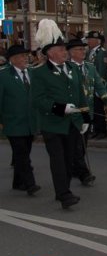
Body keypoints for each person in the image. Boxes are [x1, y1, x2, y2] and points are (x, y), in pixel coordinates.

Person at [30, 20, 90, 209]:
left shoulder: (73, 69)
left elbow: (81, 96)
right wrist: (59, 108)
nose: (65, 52)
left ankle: (62, 190)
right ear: (50, 53)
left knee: (69, 159)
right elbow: (38, 99)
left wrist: (85, 118)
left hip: (72, 123)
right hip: (53, 124)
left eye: (65, 49)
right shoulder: (39, 73)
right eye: (61, 49)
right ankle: (64, 194)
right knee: (58, 160)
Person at [0, 45, 40, 195]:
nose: (25, 58)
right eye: (22, 56)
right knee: (22, 154)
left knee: (23, 153)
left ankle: (18, 182)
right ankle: (30, 184)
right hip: (13, 123)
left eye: (25, 56)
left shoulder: (32, 73)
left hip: (30, 123)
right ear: (13, 59)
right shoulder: (3, 76)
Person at [67, 38, 107, 187]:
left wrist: (106, 100)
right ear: (71, 52)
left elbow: (99, 84)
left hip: (88, 111)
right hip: (74, 112)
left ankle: (74, 168)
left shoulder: (90, 67)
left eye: (83, 49)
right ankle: (84, 173)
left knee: (83, 142)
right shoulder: (67, 68)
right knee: (78, 144)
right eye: (79, 49)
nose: (83, 51)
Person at [85, 30, 107, 139]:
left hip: (97, 86)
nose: (88, 41)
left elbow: (101, 71)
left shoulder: (101, 52)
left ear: (97, 41)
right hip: (90, 85)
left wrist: (99, 88)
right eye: (88, 39)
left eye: (91, 39)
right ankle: (96, 129)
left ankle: (102, 131)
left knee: (99, 109)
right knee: (94, 109)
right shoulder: (90, 52)